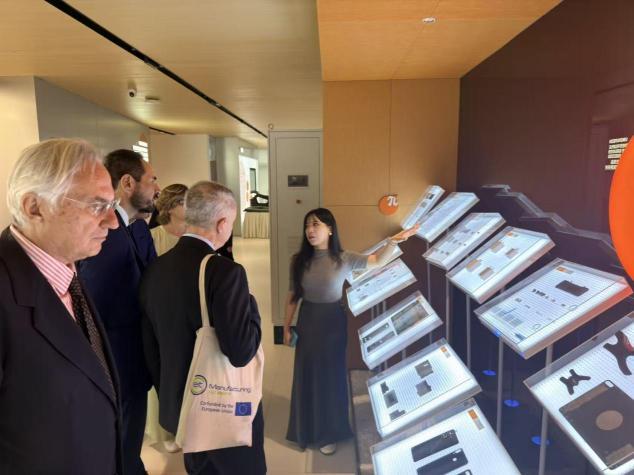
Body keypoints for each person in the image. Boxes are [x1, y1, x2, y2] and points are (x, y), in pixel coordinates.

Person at [0, 138, 121, 473]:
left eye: (112, 204)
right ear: (34, 207)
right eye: (96, 205)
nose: (113, 221)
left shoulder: (68, 271)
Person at [140, 181, 266, 474]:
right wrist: (251, 307)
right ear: (222, 224)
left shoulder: (155, 269)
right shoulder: (225, 272)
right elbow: (241, 352)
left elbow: (150, 348)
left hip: (183, 408)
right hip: (223, 407)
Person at [284, 208, 418, 454]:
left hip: (333, 323)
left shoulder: (344, 258)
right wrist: (286, 327)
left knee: (330, 377)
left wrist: (394, 241)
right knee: (307, 374)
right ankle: (305, 430)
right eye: (307, 225)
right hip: (308, 321)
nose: (310, 230)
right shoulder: (298, 260)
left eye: (316, 224)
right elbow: (293, 296)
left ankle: (328, 433)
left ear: (330, 229)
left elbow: (378, 261)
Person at [79, 149, 160, 475]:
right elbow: (96, 308)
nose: (157, 188)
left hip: (135, 359)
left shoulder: (137, 228)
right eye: (152, 180)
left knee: (131, 439)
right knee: (122, 441)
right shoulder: (106, 237)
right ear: (128, 183)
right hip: (117, 363)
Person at [145, 183, 188, 452]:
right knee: (164, 370)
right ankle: (166, 429)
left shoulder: (194, 234)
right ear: (171, 207)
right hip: (162, 313)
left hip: (188, 312)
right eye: (184, 201)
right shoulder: (154, 237)